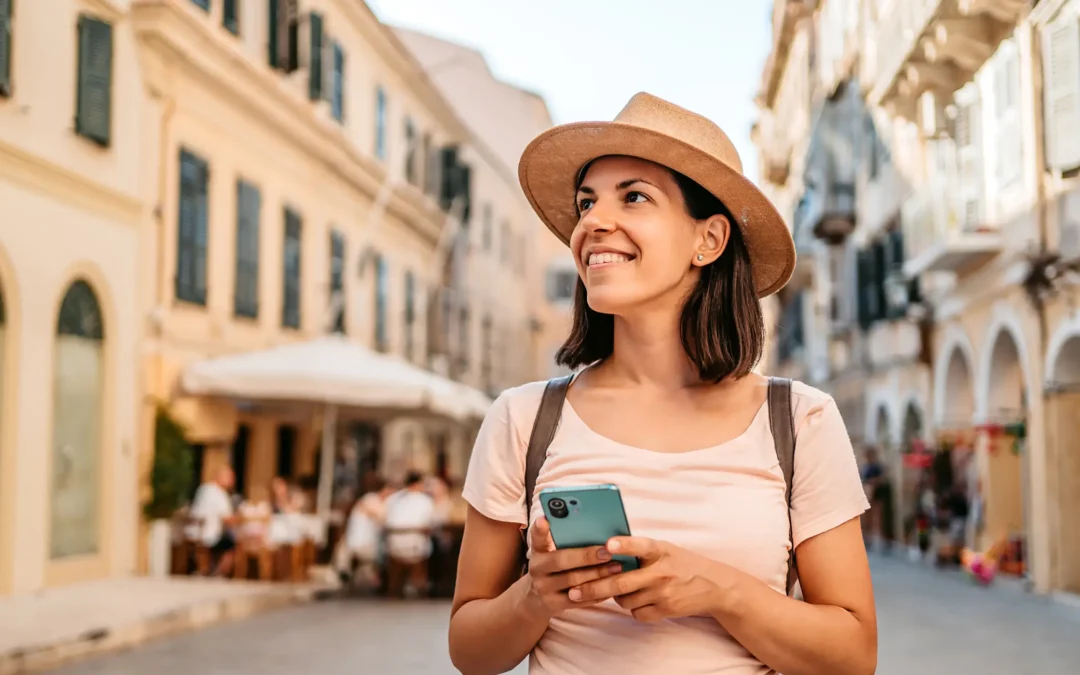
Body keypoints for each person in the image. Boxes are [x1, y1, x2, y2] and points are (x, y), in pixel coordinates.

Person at [449, 93, 877, 675]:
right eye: (586, 202)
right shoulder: (523, 418)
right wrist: (536, 595)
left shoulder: (800, 420)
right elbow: (469, 651)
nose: (594, 222)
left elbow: (853, 657)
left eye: (634, 197)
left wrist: (719, 590)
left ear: (710, 240)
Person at [384, 471, 438, 598]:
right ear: (418, 484)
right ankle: (422, 586)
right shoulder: (426, 501)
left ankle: (396, 588)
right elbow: (431, 524)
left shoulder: (392, 499)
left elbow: (384, 520)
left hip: (394, 545)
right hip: (415, 545)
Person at [187, 466, 241, 577]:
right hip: (210, 534)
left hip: (195, 531)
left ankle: (207, 569)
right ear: (220, 477)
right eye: (230, 478)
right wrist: (241, 519)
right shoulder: (219, 494)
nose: (232, 481)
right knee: (233, 543)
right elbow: (227, 519)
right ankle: (218, 573)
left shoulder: (204, 489)